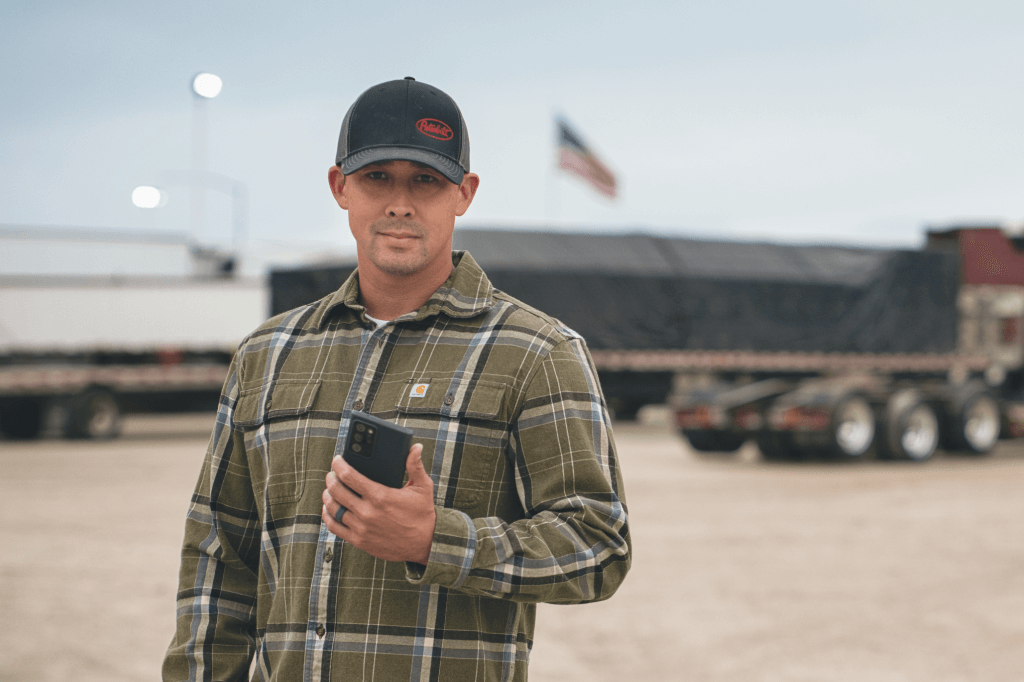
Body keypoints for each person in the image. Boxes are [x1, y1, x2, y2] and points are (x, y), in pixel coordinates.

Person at [163, 77, 630, 682]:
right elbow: (219, 558)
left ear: (464, 193)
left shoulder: (537, 352)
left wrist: (437, 539)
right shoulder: (268, 353)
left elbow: (597, 546)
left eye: (426, 181)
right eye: (377, 177)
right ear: (340, 187)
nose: (400, 203)